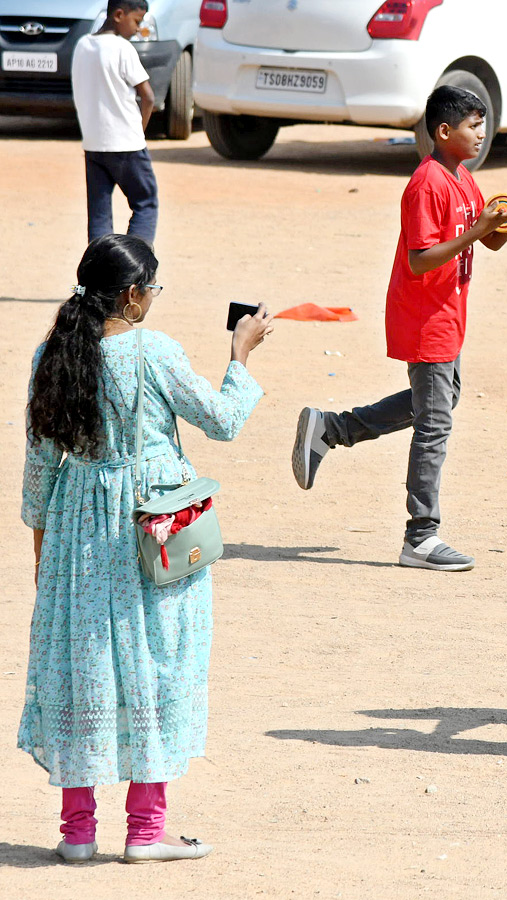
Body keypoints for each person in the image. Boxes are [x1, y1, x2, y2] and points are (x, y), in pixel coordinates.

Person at [20, 234, 271, 863]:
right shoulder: (155, 352)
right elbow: (223, 419)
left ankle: (76, 833)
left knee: (82, 667)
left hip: (75, 528)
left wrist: (42, 552)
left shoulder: (51, 352)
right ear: (133, 295)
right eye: (152, 288)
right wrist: (241, 354)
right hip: (148, 527)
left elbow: (39, 467)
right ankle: (145, 832)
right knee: (158, 662)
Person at [291, 85, 507, 571]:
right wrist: (475, 231)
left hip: (449, 314)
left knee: (438, 403)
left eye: (483, 124)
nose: (482, 134)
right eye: (473, 126)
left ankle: (332, 429)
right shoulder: (427, 183)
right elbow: (419, 261)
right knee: (434, 422)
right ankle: (421, 535)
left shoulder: (461, 177)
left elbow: (493, 240)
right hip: (425, 317)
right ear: (443, 131)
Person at [72, 0, 159, 245]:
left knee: (99, 214)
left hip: (94, 145)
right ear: (119, 14)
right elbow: (148, 96)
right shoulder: (122, 48)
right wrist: (139, 131)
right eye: (137, 22)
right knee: (145, 204)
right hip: (126, 145)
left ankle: (100, 277)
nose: (139, 29)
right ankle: (135, 270)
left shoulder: (83, 45)